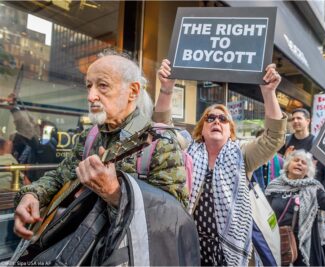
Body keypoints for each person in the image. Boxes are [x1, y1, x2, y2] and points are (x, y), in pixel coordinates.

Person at [12, 51, 199, 266]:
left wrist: (115, 193)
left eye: (102, 86)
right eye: (88, 86)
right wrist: (32, 195)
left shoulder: (160, 143)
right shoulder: (90, 136)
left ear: (133, 91)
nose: (91, 96)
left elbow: (173, 217)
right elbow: (60, 176)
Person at [156, 59, 287, 266]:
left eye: (223, 119)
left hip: (228, 253)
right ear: (201, 128)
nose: (216, 121)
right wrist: (166, 90)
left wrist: (269, 93)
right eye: (210, 118)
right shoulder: (187, 150)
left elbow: (273, 138)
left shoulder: (242, 154)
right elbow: (162, 131)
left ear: (230, 131)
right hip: (189, 247)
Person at [265, 150, 325, 266]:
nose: (299, 163)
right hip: (278, 242)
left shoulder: (313, 188)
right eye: (296, 160)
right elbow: (265, 213)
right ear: (288, 165)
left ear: (307, 171)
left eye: (303, 163)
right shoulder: (274, 186)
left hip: (304, 245)